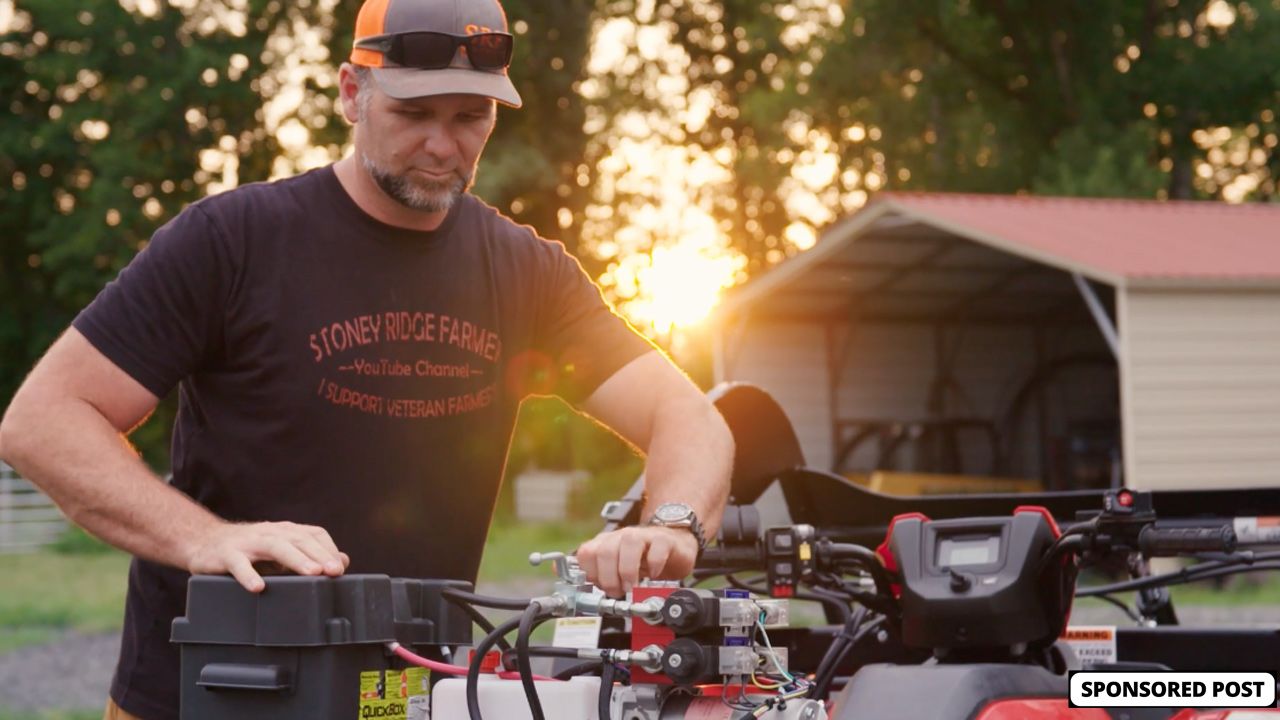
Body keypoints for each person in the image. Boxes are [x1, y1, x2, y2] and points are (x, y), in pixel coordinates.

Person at [0, 0, 735, 716]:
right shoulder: (231, 242)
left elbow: (689, 418)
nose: (444, 147)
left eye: (469, 117)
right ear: (352, 93)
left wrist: (670, 526)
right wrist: (207, 538)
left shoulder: (526, 271)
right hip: (209, 689)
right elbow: (44, 421)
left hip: (416, 694)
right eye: (413, 115)